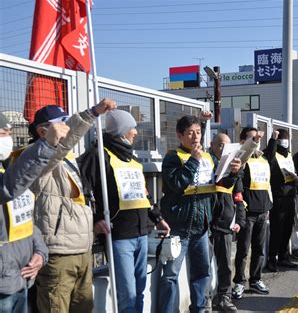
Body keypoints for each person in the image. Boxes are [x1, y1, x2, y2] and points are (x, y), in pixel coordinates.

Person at [27, 100, 116, 313]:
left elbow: (75, 200)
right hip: (58, 254)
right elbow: (64, 143)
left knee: (84, 308)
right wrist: (92, 113)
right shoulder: (37, 157)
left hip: (81, 250)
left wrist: (93, 224)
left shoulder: (68, 159)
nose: (68, 129)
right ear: (43, 131)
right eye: (63, 123)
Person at [79, 109, 170, 312]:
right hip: (119, 236)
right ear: (121, 131)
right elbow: (81, 192)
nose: (136, 132)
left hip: (141, 233)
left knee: (139, 290)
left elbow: (143, 194)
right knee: (126, 293)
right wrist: (94, 220)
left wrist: (157, 218)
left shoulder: (133, 159)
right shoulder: (98, 156)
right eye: (132, 128)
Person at [158, 115, 240, 313]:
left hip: (202, 225)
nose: (195, 137)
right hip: (178, 226)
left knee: (202, 271)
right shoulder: (173, 157)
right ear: (180, 135)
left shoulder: (209, 157)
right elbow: (176, 183)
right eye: (190, 133)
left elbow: (220, 183)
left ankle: (200, 309)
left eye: (198, 132)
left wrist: (234, 173)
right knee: (170, 275)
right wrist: (193, 161)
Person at [0, 113, 69, 313]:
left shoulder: (6, 169)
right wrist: (47, 144)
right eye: (2, 133)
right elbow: (9, 188)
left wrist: (40, 252)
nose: (8, 138)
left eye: (9, 133)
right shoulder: (11, 176)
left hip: (20, 278)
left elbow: (24, 218)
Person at [209, 133, 246, 311]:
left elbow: (238, 196)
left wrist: (239, 219)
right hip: (206, 221)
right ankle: (206, 299)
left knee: (225, 264)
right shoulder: (205, 162)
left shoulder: (234, 168)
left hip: (225, 222)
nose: (223, 149)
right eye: (220, 145)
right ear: (212, 145)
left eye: (227, 146)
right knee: (204, 265)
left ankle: (224, 297)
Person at [232, 127, 271, 299]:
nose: (256, 142)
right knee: (243, 249)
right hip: (247, 212)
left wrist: (268, 207)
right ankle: (239, 282)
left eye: (258, 139)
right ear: (243, 142)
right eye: (252, 139)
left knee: (259, 249)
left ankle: (255, 280)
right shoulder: (241, 159)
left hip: (263, 211)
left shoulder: (263, 160)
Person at [265, 129, 298, 272]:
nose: (284, 141)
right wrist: (273, 139)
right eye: (282, 138)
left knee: (287, 228)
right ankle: (272, 258)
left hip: (290, 196)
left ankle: (284, 256)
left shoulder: (289, 155)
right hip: (278, 197)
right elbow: (269, 156)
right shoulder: (273, 154)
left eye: (286, 138)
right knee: (277, 229)